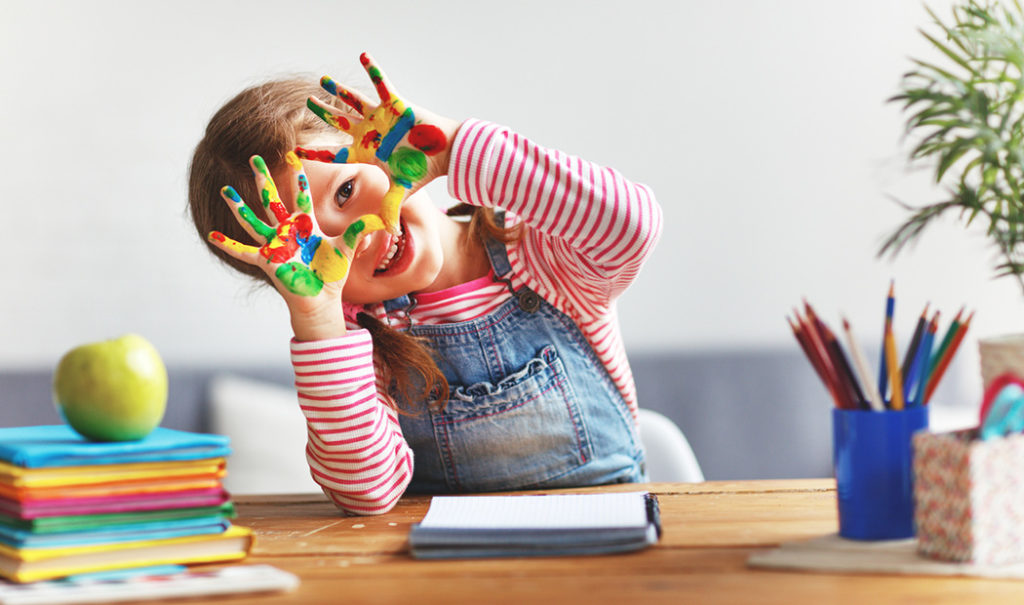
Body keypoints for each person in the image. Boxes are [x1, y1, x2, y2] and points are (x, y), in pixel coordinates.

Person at [188, 53, 663, 515]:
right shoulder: (357, 340)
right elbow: (367, 493)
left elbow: (630, 226)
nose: (358, 236)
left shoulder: (541, 254)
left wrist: (452, 147)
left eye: (345, 191)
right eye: (309, 246)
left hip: (610, 533)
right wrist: (319, 320)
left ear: (386, 148)